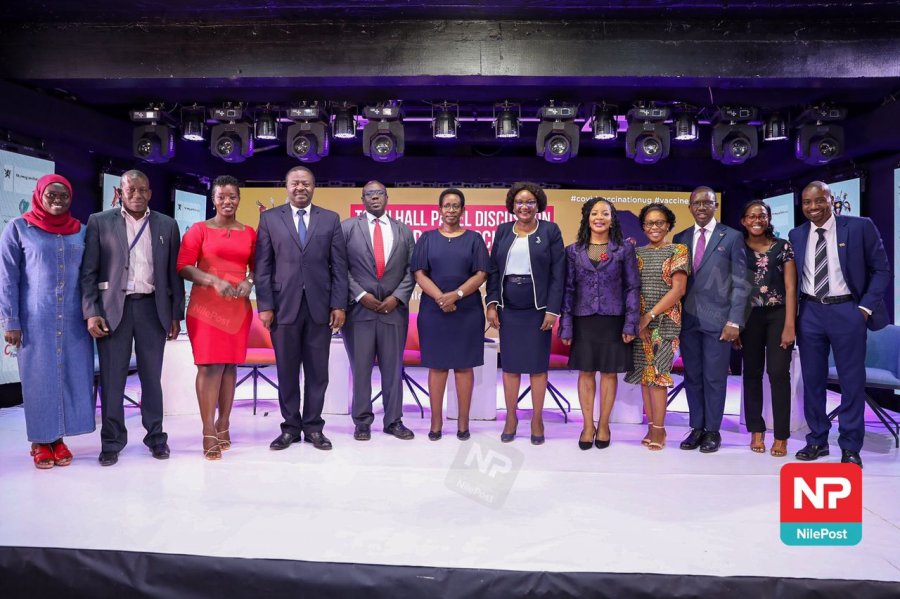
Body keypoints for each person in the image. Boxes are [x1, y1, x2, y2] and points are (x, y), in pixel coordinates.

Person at [81, 170, 184, 467]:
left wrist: (175, 313)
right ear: (120, 192)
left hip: (153, 309)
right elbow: (88, 272)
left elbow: (173, 274)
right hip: (113, 310)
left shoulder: (167, 224)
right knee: (113, 380)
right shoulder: (100, 222)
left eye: (142, 190)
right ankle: (111, 442)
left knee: (152, 378)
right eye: (131, 190)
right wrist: (91, 312)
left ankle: (156, 438)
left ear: (150, 192)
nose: (137, 195)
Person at [789, 181, 890, 468]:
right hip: (810, 312)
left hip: (848, 310)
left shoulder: (859, 227)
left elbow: (881, 269)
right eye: (807, 202)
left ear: (831, 200)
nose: (813, 207)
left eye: (819, 200)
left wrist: (864, 309)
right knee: (812, 380)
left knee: (851, 381)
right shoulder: (796, 234)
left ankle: (850, 445)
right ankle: (817, 440)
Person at [0, 175, 95, 469]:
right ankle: (41, 441)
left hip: (73, 319)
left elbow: (89, 276)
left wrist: (92, 312)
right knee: (38, 379)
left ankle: (59, 438)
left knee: (71, 377)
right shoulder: (19, 228)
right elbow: (7, 278)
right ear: (39, 195)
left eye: (63, 195)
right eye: (51, 195)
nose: (57, 200)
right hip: (35, 318)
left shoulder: (81, 231)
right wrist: (10, 320)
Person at [255, 166, 348, 451]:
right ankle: (290, 428)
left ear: (314, 187)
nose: (300, 188)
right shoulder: (270, 219)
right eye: (295, 183)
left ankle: (314, 427)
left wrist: (339, 304)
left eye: (305, 183)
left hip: (320, 307)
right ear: (286, 186)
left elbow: (339, 267)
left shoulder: (330, 219)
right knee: (286, 371)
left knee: (318, 372)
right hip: (283, 307)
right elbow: (263, 266)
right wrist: (265, 305)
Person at [177, 175, 256, 460]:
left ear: (239, 199)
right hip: (206, 308)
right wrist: (213, 280)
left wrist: (249, 281)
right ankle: (208, 429)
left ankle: (224, 423)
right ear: (213, 199)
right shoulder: (199, 230)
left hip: (237, 307)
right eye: (221, 196)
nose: (227, 201)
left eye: (232, 196)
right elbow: (183, 266)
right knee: (209, 367)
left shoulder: (249, 232)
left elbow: (257, 267)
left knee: (230, 367)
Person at [486, 182, 565, 445]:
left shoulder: (550, 230)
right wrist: (491, 303)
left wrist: (552, 310)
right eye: (519, 202)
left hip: (538, 309)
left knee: (537, 368)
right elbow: (493, 270)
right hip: (509, 308)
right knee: (510, 367)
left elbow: (558, 274)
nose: (524, 206)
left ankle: (537, 420)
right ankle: (511, 418)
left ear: (538, 205)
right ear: (512, 205)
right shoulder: (503, 230)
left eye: (530, 202)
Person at [673, 186, 749, 453]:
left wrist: (734, 321)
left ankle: (713, 431)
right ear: (690, 207)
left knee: (715, 378)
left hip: (718, 321)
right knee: (693, 376)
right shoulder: (680, 237)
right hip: (688, 321)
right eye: (697, 203)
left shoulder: (732, 237)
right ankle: (697, 427)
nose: (702, 207)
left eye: (707, 203)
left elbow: (740, 282)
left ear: (715, 206)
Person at [559, 197, 640, 450]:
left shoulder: (623, 249)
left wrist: (631, 323)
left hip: (613, 319)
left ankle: (603, 425)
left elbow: (632, 287)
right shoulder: (573, 251)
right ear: (587, 218)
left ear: (612, 219)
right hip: (583, 320)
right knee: (585, 372)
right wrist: (566, 325)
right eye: (595, 213)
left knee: (608, 373)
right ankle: (587, 425)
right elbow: (568, 289)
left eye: (605, 213)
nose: (599, 218)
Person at [412, 188, 489, 441]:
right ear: (440, 209)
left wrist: (456, 295)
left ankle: (463, 423)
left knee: (464, 367)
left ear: (463, 210)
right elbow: (419, 273)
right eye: (447, 205)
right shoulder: (427, 238)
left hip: (466, 311)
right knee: (437, 366)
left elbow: (481, 273)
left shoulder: (475, 239)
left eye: (456, 206)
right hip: (434, 311)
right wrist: (441, 298)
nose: (451, 210)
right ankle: (436, 423)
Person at [341, 181, 416, 441]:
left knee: (393, 369)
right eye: (369, 194)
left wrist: (397, 297)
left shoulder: (404, 230)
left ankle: (393, 421)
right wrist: (360, 295)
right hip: (358, 311)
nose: (374, 197)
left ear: (387, 197)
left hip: (393, 312)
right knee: (360, 369)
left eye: (379, 193)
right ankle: (362, 422)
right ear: (362, 199)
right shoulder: (347, 228)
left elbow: (412, 269)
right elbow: (339, 267)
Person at [625, 204, 689, 450]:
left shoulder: (678, 250)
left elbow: (678, 290)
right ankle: (651, 426)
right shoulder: (636, 253)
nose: (655, 227)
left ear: (668, 225)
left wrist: (649, 316)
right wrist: (637, 321)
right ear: (643, 227)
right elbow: (630, 290)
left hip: (665, 323)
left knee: (659, 376)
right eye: (650, 223)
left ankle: (660, 431)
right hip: (640, 324)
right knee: (645, 376)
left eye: (660, 222)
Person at [737, 200, 796, 457]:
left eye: (761, 215)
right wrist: (734, 324)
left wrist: (790, 325)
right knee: (751, 373)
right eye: (751, 216)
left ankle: (781, 436)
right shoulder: (737, 246)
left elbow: (791, 287)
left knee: (778, 372)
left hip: (778, 315)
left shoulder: (782, 246)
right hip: (748, 317)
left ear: (768, 219)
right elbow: (731, 286)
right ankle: (756, 430)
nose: (756, 220)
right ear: (743, 221)